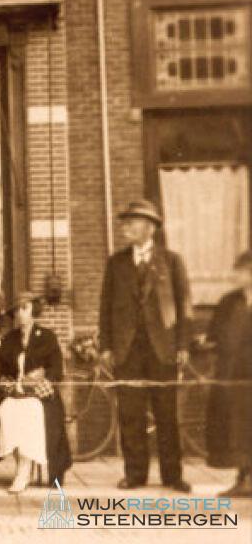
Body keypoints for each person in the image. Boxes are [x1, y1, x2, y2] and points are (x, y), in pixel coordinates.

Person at [99, 200, 192, 493]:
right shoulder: (116, 263)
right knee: (130, 415)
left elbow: (184, 307)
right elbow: (105, 308)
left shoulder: (171, 261)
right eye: (125, 221)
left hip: (163, 350)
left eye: (132, 221)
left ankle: (172, 475)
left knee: (167, 415)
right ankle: (135, 474)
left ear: (149, 227)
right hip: (127, 351)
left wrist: (182, 345)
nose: (125, 226)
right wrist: (106, 347)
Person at [0, 292, 72, 494]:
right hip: (16, 394)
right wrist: (9, 384)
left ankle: (24, 471)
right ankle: (21, 466)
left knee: (31, 412)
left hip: (41, 397)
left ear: (33, 310)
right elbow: (0, 370)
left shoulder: (47, 337)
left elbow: (56, 370)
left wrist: (41, 381)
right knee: (5, 411)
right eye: (16, 310)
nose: (20, 313)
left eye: (24, 308)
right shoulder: (9, 339)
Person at [205, 250, 252, 498]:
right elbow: (215, 333)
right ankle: (244, 478)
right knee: (236, 429)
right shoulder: (228, 301)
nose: (235, 275)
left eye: (241, 270)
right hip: (231, 376)